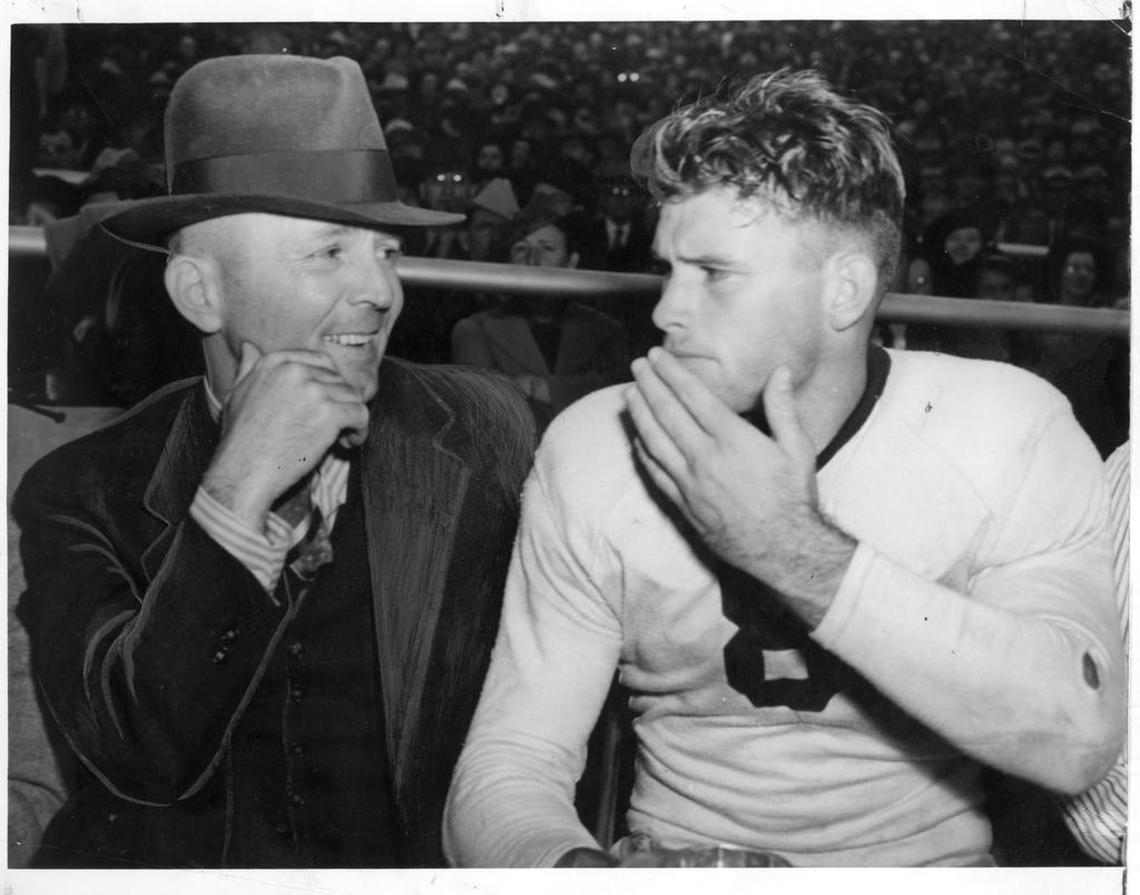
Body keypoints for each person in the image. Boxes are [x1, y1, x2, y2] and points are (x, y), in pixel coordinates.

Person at [443, 70, 1125, 868]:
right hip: (675, 855)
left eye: (714, 273)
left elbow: (1079, 740)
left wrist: (785, 542)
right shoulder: (594, 443)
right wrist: (577, 873)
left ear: (846, 290)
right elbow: (509, 761)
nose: (666, 310)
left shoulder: (1005, 425)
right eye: (668, 268)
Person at [13, 54, 535, 869]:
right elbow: (135, 759)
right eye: (329, 253)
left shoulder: (479, 431)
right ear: (200, 294)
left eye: (387, 253)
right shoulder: (79, 488)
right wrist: (233, 494)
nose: (380, 291)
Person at [451, 195, 630, 432]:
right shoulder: (475, 329)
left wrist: (539, 388)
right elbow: (485, 413)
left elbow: (620, 395)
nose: (533, 260)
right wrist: (574, 389)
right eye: (521, 248)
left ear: (571, 262)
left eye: (547, 248)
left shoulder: (604, 329)